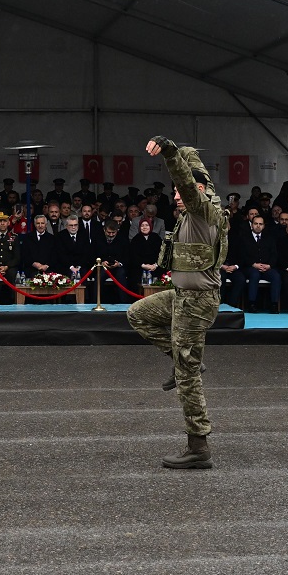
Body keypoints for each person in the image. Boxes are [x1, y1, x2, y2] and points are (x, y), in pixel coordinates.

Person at [126, 137, 228, 470]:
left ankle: (198, 447)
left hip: (197, 303)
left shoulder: (202, 212)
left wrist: (171, 153)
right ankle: (182, 358)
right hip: (182, 296)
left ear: (196, 190)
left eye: (179, 190)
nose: (175, 195)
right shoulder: (194, 211)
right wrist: (184, 154)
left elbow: (188, 181)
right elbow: (194, 175)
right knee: (138, 314)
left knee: (187, 377)